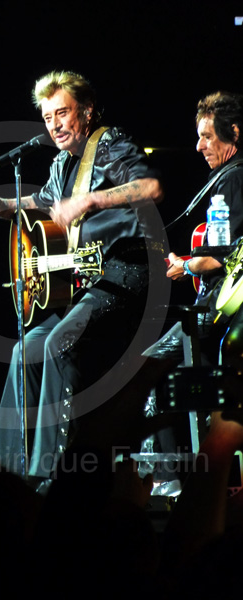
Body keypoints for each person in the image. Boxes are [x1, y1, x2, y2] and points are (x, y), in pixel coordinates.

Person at [0, 70, 164, 481]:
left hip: (126, 273)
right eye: (46, 117)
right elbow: (41, 201)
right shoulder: (62, 163)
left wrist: (91, 200)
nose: (54, 124)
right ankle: (5, 475)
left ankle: (52, 474)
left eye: (63, 113)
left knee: (58, 344)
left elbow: (149, 186)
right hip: (87, 284)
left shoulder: (108, 143)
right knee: (25, 351)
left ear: (87, 111)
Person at [139, 91, 243, 493]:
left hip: (217, 310)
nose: (199, 146)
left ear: (233, 132)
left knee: (147, 370)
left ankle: (166, 482)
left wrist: (184, 264)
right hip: (220, 311)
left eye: (206, 137)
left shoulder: (233, 178)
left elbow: (220, 257)